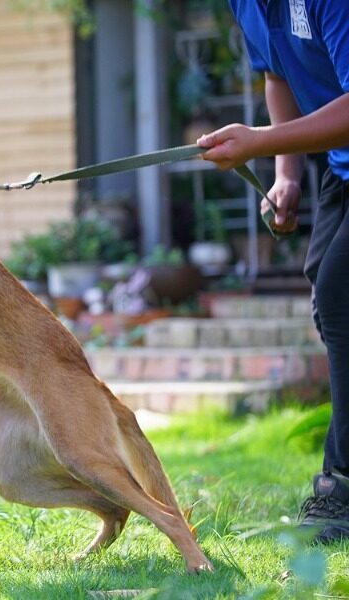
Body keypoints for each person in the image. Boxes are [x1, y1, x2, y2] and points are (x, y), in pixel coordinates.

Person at [197, 0, 349, 543]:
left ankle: (341, 491)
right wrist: (285, 175)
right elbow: (277, 74)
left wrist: (260, 141)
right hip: (340, 166)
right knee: (331, 306)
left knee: (340, 299)